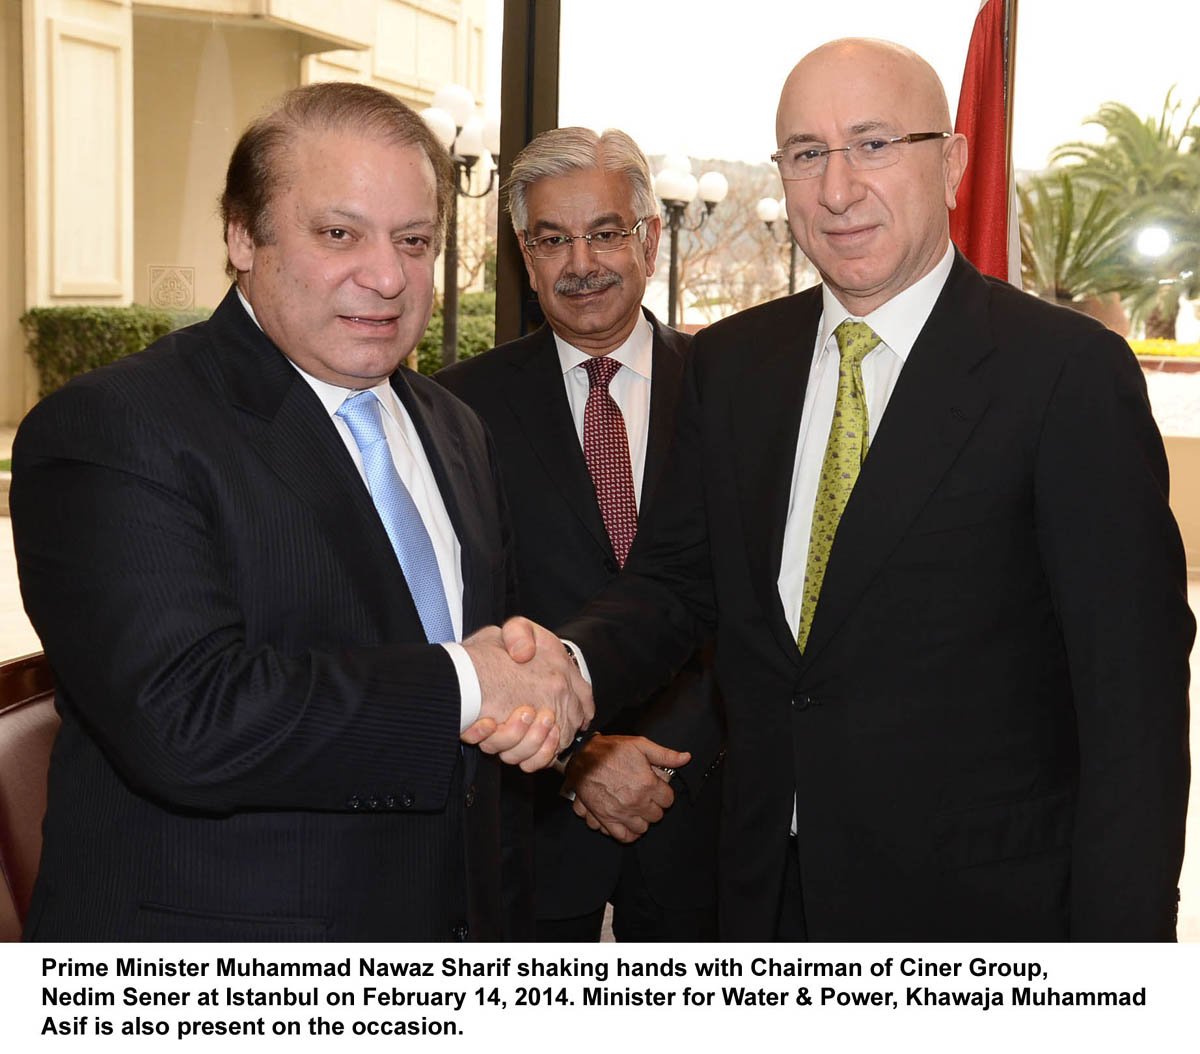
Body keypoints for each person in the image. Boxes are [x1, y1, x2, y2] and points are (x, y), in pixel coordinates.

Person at [537, 39, 1194, 940]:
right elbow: (676, 582)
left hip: (977, 920)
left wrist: (1126, 970)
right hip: (758, 897)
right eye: (807, 153)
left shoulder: (1065, 376)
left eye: (874, 145)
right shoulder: (732, 364)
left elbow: (1134, 705)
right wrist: (565, 670)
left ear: (953, 162)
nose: (837, 189)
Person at [10, 82, 591, 942]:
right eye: (338, 233)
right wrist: (470, 684)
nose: (388, 276)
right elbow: (186, 720)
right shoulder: (116, 427)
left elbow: (486, 693)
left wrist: (548, 690)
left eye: (414, 240)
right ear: (243, 237)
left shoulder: (453, 427)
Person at [438, 128, 724, 941]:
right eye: (552, 240)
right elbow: (455, 610)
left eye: (605, 231)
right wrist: (580, 755)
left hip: (705, 808)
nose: (580, 263)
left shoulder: (731, 390)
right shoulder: (454, 410)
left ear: (651, 240)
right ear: (524, 259)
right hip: (528, 816)